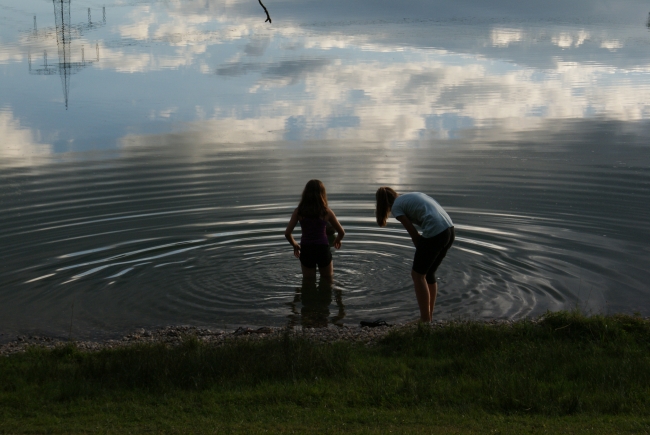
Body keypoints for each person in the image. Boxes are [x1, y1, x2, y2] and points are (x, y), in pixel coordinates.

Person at [375, 187, 455, 322]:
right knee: (429, 274)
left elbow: (413, 233)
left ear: (382, 203)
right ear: (394, 194)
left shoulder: (396, 207)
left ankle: (425, 320)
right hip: (450, 230)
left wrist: (421, 249)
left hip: (435, 232)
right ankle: (429, 317)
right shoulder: (410, 196)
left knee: (417, 275)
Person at [285, 180, 345, 281]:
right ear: (322, 194)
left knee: (308, 283)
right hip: (322, 249)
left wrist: (295, 245)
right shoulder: (326, 212)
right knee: (328, 281)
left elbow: (287, 233)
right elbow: (341, 232)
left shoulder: (299, 212)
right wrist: (337, 240)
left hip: (307, 250)